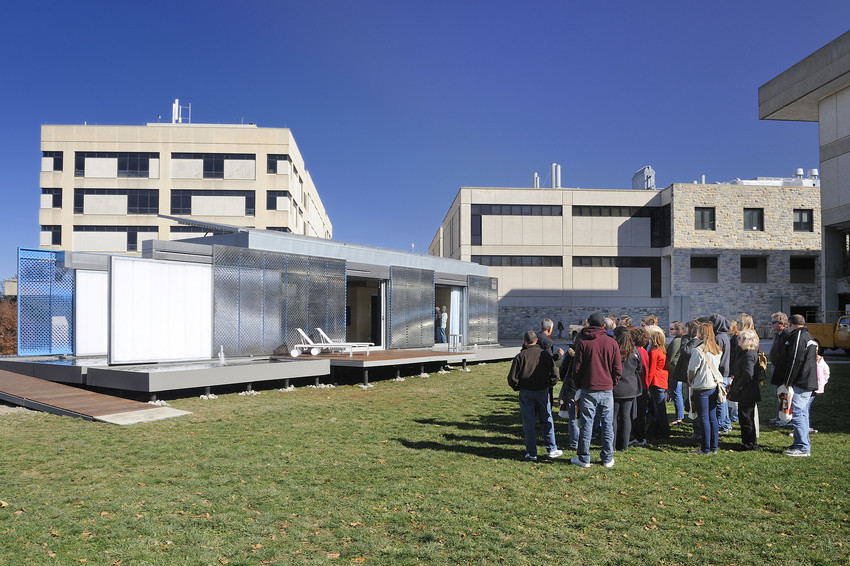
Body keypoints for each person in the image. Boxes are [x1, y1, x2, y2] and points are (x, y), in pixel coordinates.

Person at [571, 312, 622, 468]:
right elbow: (617, 369)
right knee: (607, 424)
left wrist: (579, 385)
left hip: (590, 388)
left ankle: (584, 457)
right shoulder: (611, 342)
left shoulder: (583, 342)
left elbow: (577, 369)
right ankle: (607, 457)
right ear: (603, 326)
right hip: (604, 388)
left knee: (587, 424)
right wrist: (611, 383)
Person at [507, 330, 562, 461]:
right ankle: (552, 448)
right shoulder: (544, 355)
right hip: (542, 391)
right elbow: (556, 375)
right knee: (546, 419)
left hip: (526, 391)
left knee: (529, 422)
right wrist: (549, 384)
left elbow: (512, 378)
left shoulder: (520, 356)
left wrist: (518, 387)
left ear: (524, 341)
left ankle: (532, 452)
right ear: (536, 340)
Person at [772, 314, 818, 457]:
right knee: (802, 414)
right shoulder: (805, 336)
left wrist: (788, 380)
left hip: (801, 381)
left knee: (797, 414)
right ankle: (799, 443)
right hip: (805, 381)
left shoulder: (799, 337)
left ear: (791, 324)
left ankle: (803, 447)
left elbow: (795, 361)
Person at [687, 322, 722, 455]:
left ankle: (705, 448)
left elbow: (692, 370)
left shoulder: (698, 350)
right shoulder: (717, 349)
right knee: (712, 417)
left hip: (701, 386)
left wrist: (690, 380)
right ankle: (713, 447)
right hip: (713, 385)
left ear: (701, 334)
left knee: (704, 418)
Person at [728, 329, 761, 450]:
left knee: (746, 417)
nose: (738, 340)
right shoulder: (745, 353)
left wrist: (738, 385)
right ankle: (749, 442)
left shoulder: (749, 354)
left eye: (740, 338)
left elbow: (748, 373)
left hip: (747, 390)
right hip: (745, 389)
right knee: (745, 417)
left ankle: (749, 444)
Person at [612, 326, 642, 451]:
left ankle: (612, 445)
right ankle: (623, 445)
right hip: (630, 387)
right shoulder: (635, 351)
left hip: (616, 386)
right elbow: (639, 368)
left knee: (613, 417)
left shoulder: (614, 350)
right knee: (626, 416)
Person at [644, 325, 670, 440]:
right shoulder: (662, 351)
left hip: (656, 382)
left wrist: (647, 384)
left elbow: (651, 370)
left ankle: (660, 432)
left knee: (658, 409)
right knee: (660, 408)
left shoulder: (654, 353)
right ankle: (661, 431)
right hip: (661, 381)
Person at [628, 327, 650, 447]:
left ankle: (639, 437)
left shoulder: (637, 352)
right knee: (640, 413)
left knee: (637, 414)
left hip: (639, 385)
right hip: (644, 385)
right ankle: (640, 436)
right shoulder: (644, 351)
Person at [710, 314, 733, 433]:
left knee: (720, 400)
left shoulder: (719, 337)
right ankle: (726, 422)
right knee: (722, 398)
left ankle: (723, 424)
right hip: (724, 370)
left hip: (721, 371)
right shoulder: (724, 336)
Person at [768, 312, 790, 425]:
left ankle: (783, 417)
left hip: (781, 368)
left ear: (781, 323)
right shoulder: (777, 334)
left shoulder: (786, 335)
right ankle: (779, 416)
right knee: (778, 393)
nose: (772, 324)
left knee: (783, 394)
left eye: (773, 322)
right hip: (775, 366)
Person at [667, 321, 686, 425]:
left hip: (674, 371)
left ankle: (679, 417)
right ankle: (680, 416)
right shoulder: (678, 340)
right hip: (676, 370)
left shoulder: (677, 341)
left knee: (676, 393)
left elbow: (670, 357)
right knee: (677, 393)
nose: (670, 331)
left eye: (672, 329)